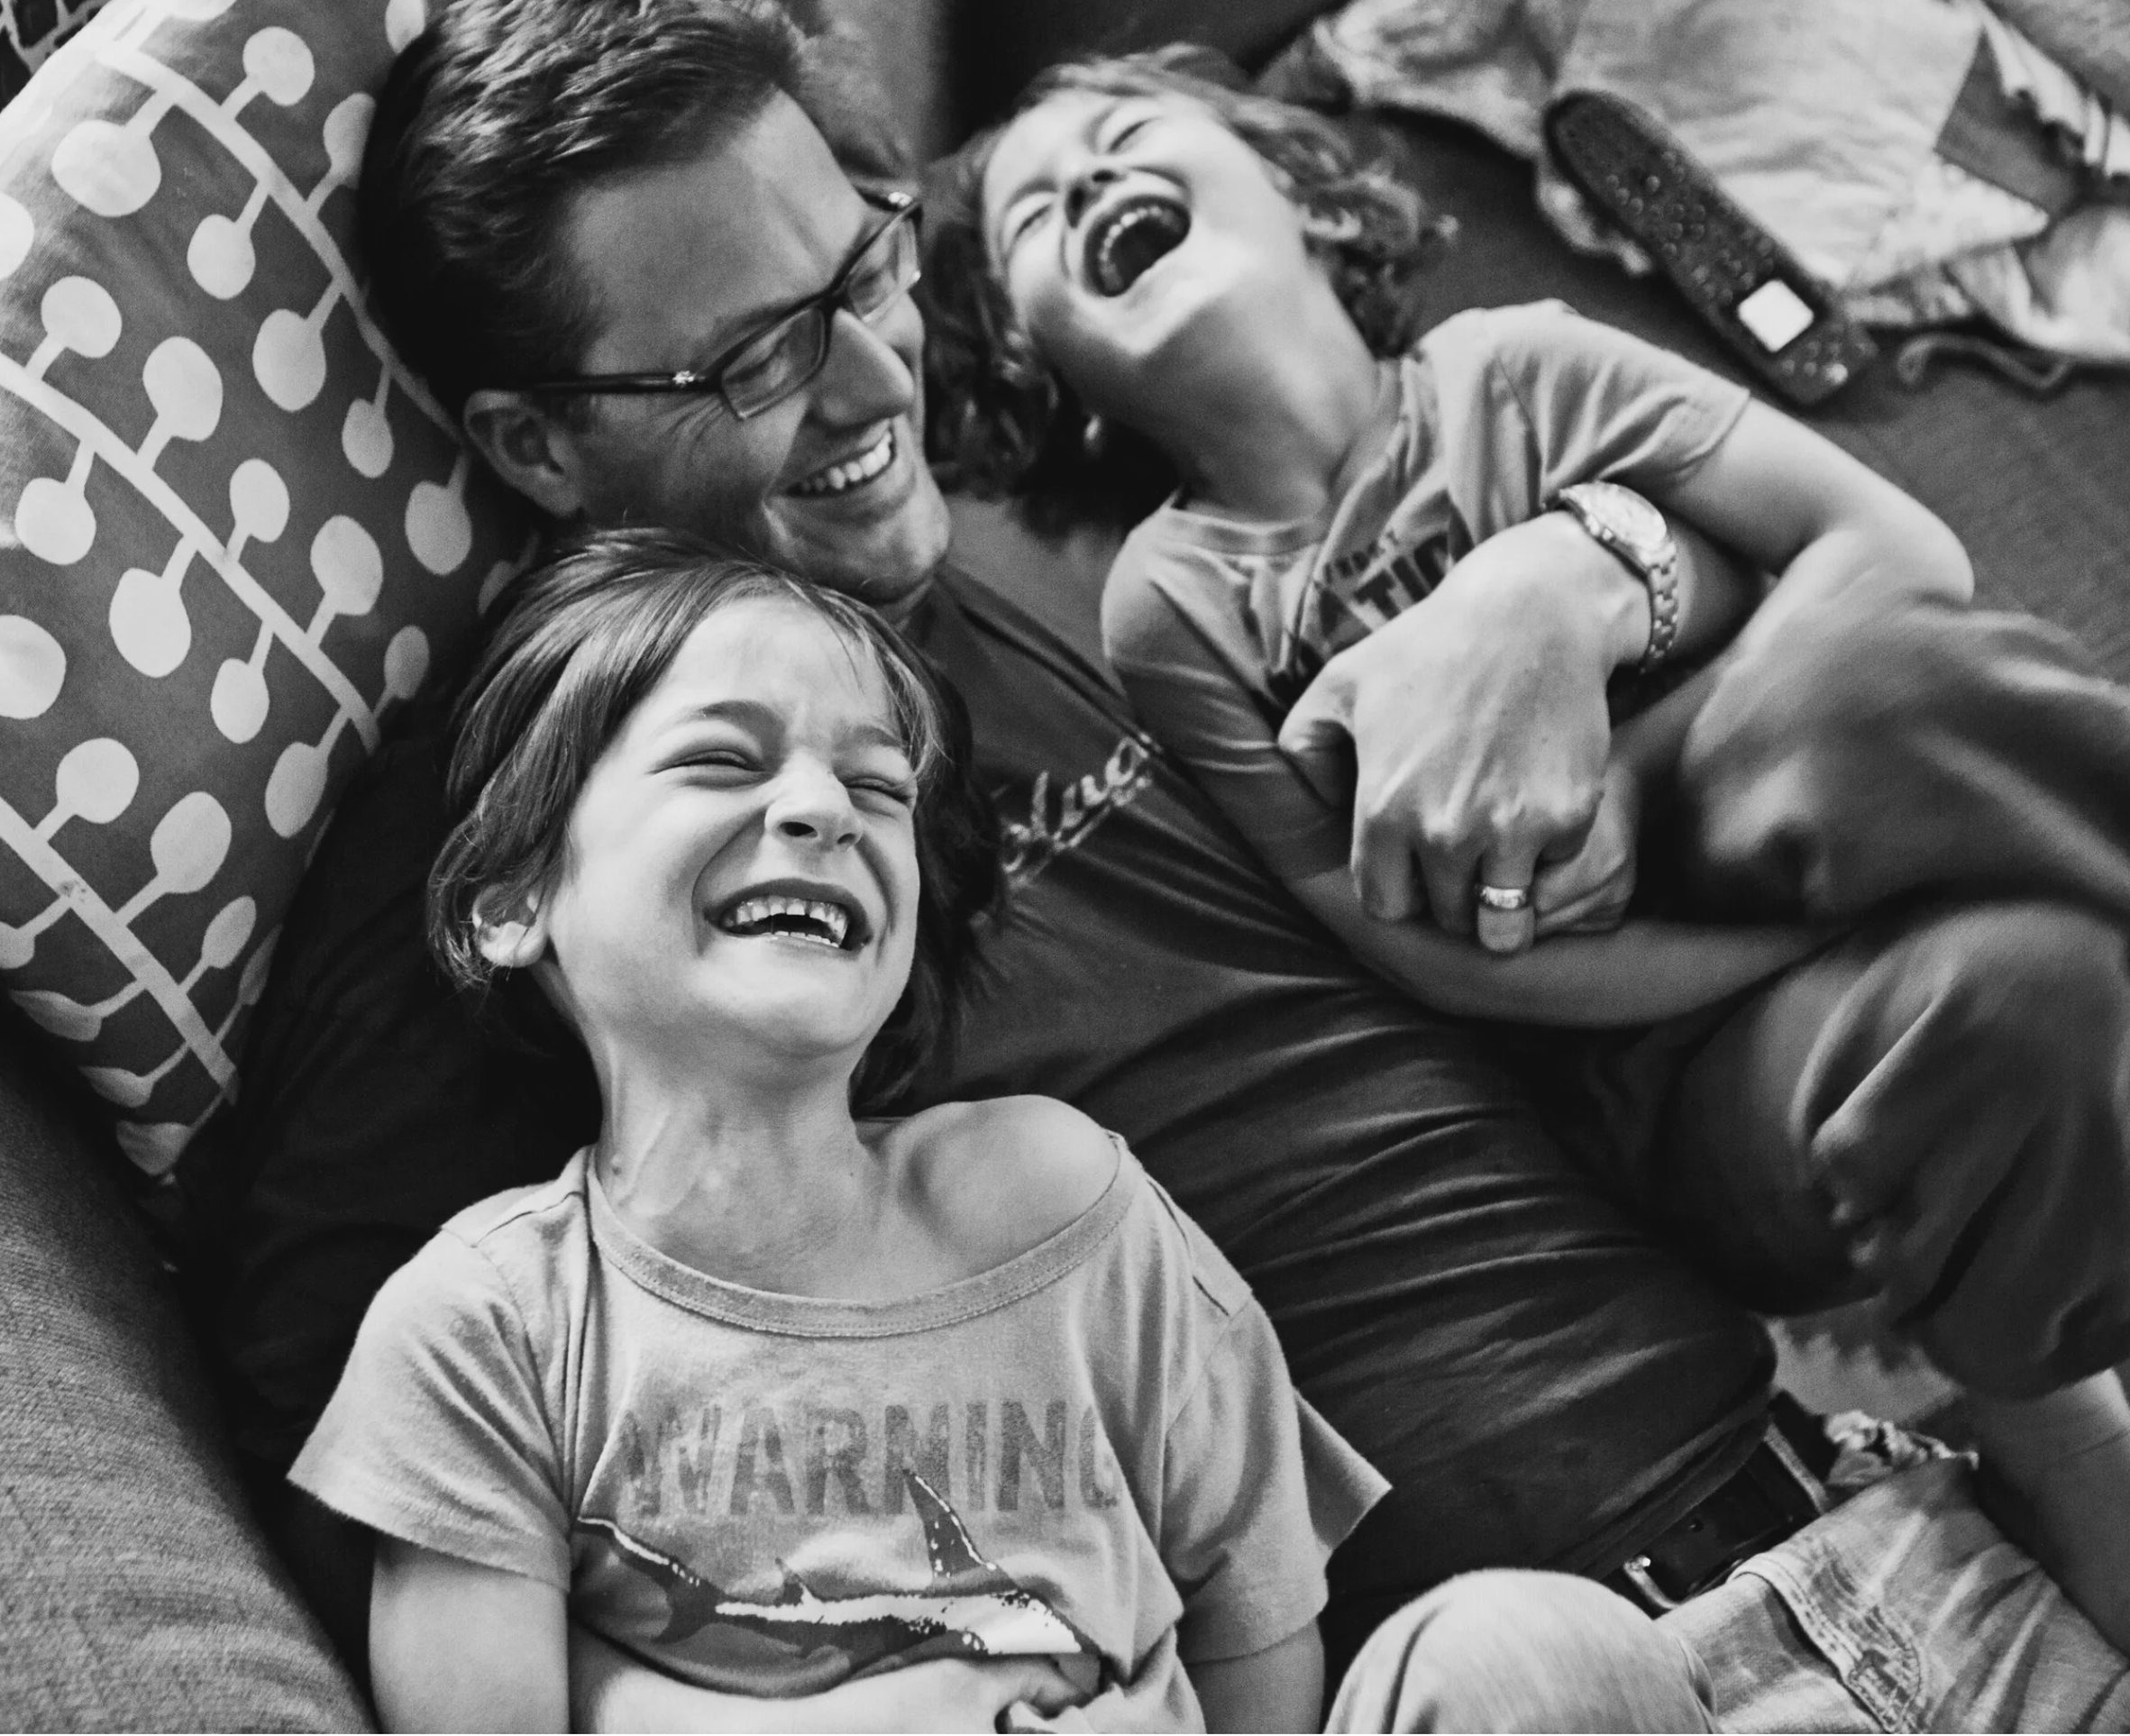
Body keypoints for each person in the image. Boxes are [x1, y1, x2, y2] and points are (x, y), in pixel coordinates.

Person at [193, 0, 2130, 1730]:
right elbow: (344, 1404)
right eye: (741, 360)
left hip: (1865, 1515)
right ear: (536, 444)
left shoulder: (1053, 560)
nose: (862, 384)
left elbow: (1475, 575)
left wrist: (1566, 575)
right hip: (1456, 1663)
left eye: (859, 269)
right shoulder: (549, 788)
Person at [919, 46, 2130, 1683]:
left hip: (1808, 825)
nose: (1082, 185)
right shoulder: (1175, 603)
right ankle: (2075, 1440)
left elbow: (1901, 556)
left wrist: (1638, 730)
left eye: (1124, 135)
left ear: (1303, 194)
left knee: (1903, 770)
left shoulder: (1519, 367)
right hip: (1653, 1069)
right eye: (1035, 224)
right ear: (1037, 369)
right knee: (1977, 903)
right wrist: (1779, 936)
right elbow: (1420, 953)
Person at [293, 530, 1715, 1734]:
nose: (816, 809)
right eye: (723, 760)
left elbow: (1258, 1619)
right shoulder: (486, 1326)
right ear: (513, 897)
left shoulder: (1057, 1194)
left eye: (874, 787)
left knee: (1521, 1655)